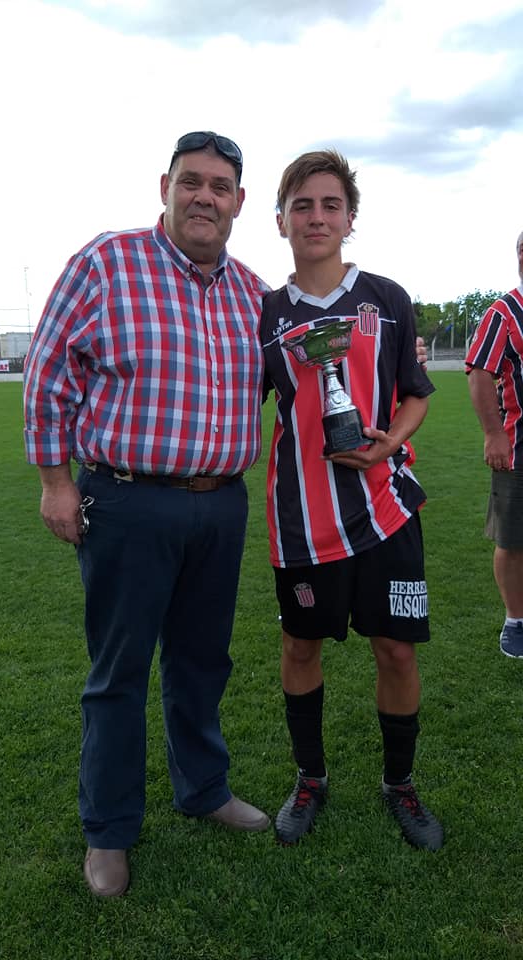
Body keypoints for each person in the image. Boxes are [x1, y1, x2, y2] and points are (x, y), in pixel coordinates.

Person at [23, 131, 272, 898]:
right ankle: (109, 830)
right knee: (119, 672)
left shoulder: (254, 293)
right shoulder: (107, 263)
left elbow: (291, 382)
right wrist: (55, 483)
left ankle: (203, 789)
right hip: (127, 500)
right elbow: (48, 374)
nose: (204, 197)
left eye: (220, 186)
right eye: (191, 181)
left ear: (238, 201)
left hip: (219, 504)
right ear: (165, 186)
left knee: (202, 662)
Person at [260, 149, 444, 851]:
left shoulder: (387, 300)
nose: (316, 217)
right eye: (302, 205)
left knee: (396, 651)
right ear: (281, 220)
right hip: (304, 519)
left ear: (350, 218)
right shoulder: (265, 313)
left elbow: (416, 395)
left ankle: (401, 784)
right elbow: (240, 400)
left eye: (330, 204)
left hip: (385, 507)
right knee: (299, 645)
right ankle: (310, 779)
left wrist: (388, 440)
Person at [465, 231, 523, 658]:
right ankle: (515, 620)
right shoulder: (504, 312)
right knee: (513, 538)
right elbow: (480, 372)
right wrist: (493, 433)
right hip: (520, 445)